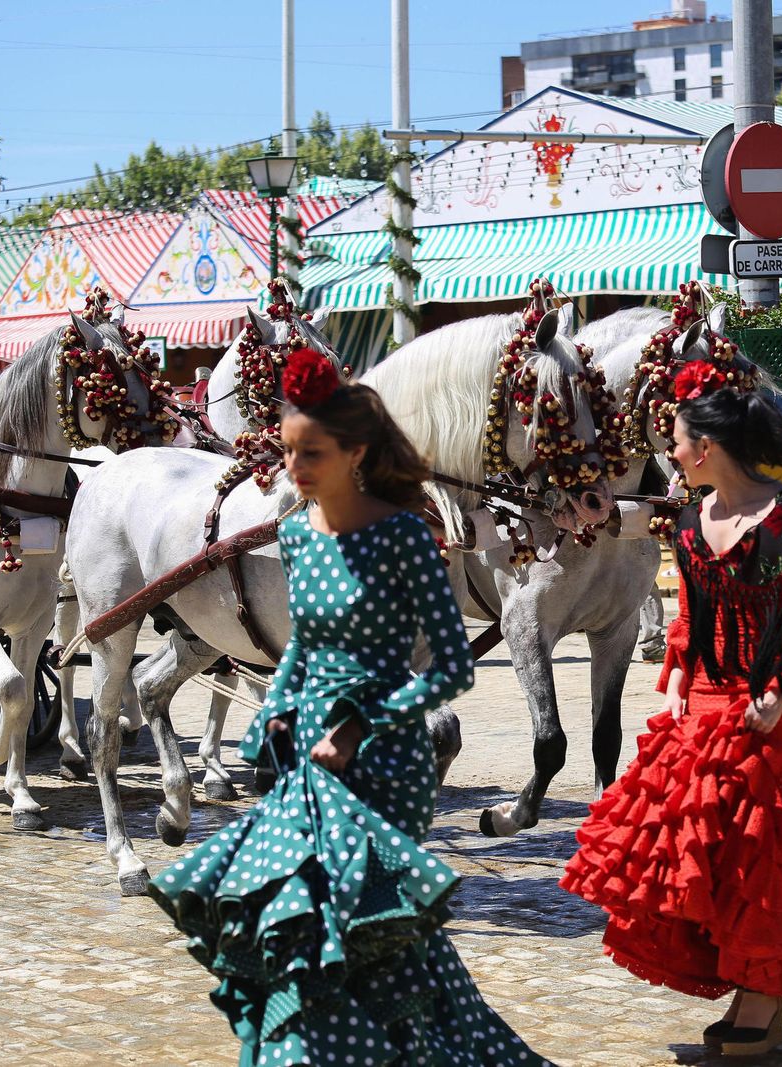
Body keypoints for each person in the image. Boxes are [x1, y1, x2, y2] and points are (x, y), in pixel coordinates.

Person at [149, 349, 549, 1066]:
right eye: (288, 450)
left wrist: (362, 724)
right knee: (296, 927)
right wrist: (276, 706)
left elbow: (452, 668)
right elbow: (304, 644)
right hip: (306, 755)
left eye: (312, 453)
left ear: (356, 452)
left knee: (377, 942)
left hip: (386, 761)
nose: (294, 469)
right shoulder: (298, 535)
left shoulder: (403, 536)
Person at [562, 371, 782, 1058]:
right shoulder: (689, 518)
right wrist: (679, 671)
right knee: (692, 829)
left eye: (675, 442)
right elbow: (694, 610)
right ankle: (752, 981)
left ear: (705, 446)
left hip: (773, 689)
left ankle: (763, 990)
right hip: (707, 684)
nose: (670, 453)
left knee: (750, 827)